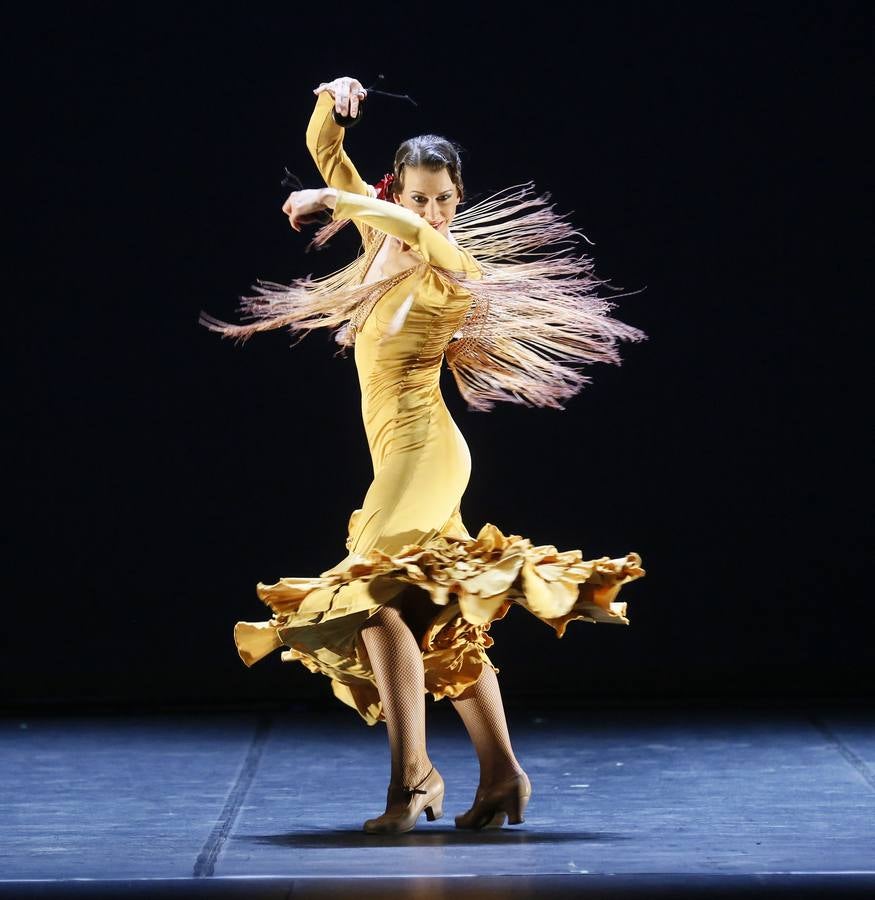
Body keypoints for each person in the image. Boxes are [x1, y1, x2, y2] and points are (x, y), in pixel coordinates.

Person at [200, 75, 646, 834]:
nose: (431, 210)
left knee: (368, 603)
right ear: (396, 192)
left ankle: (412, 782)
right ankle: (503, 774)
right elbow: (323, 149)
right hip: (396, 458)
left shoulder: (447, 259)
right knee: (435, 617)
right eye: (417, 197)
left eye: (443, 197)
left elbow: (404, 229)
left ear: (456, 199)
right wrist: (330, 97)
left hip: (430, 454)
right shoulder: (382, 237)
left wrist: (339, 203)